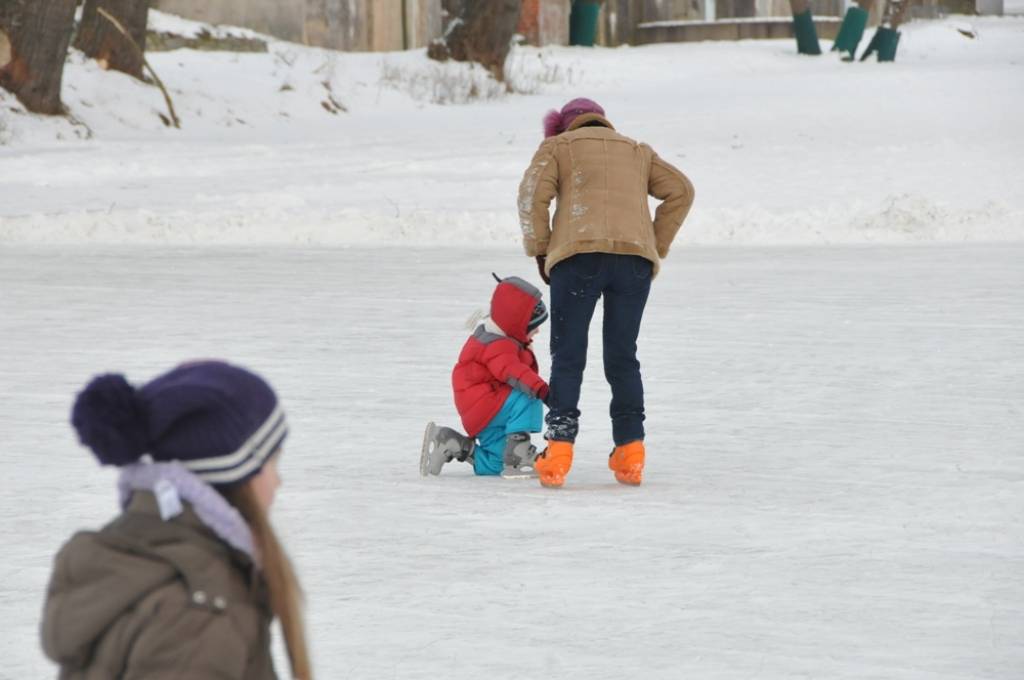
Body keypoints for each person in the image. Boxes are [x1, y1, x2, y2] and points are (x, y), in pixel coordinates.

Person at [41, 360, 312, 680]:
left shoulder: (136, 554)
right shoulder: (202, 614)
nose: (278, 481)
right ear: (234, 471)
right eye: (272, 462)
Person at [517, 97, 696, 488]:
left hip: (577, 257)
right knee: (622, 355)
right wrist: (653, 245)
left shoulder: (558, 147)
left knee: (568, 355)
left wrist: (541, 249)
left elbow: (531, 195)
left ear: (565, 125)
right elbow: (681, 190)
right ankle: (630, 449)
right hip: (633, 263)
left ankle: (559, 451)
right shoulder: (637, 151)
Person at [421, 274, 549, 478]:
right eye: (534, 327)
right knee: (529, 393)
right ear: (517, 325)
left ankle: (452, 443)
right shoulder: (497, 345)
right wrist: (544, 392)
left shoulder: (500, 338)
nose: (538, 331)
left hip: (482, 410)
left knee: (496, 463)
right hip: (486, 404)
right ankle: (518, 455)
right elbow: (515, 372)